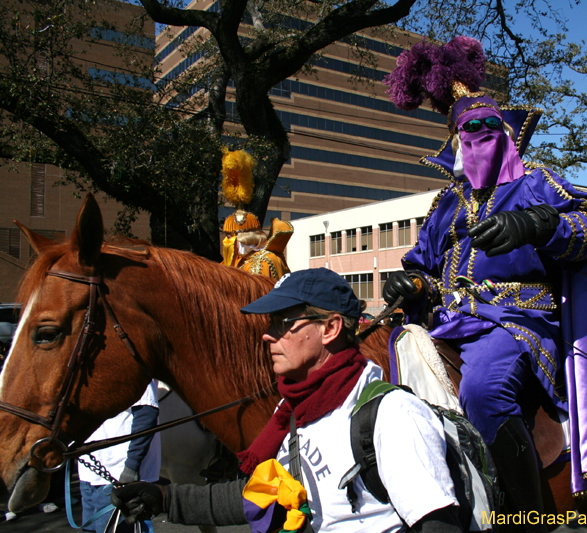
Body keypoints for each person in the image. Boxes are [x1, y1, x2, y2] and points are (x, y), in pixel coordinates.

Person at [381, 36, 587, 518]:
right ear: (454, 139)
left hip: (521, 321)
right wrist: (411, 284)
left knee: (483, 391)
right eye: (468, 128)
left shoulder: (537, 182)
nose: (479, 133)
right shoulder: (446, 203)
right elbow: (422, 265)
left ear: (507, 131)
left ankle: (526, 516)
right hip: (449, 321)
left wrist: (536, 224)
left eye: (489, 125)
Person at [111, 268, 462, 533]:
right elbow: (261, 496)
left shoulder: (391, 414)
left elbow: (437, 523)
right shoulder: (294, 410)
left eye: (283, 323)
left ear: (330, 328)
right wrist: (166, 499)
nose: (267, 334)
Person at [79, 381, 160, 533]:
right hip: (89, 476)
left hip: (117, 475)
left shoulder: (132, 365)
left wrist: (131, 467)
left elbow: (146, 414)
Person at [220, 147, 293, 279]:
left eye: (229, 236)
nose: (226, 241)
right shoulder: (229, 263)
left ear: (243, 237)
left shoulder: (265, 261)